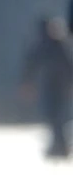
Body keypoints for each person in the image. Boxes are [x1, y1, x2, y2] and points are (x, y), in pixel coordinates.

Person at [20, 16, 73, 159]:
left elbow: (32, 64)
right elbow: (32, 64)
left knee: (56, 117)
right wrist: (28, 83)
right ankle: (59, 145)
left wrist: (27, 83)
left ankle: (60, 146)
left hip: (57, 87)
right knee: (54, 116)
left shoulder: (55, 44)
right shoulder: (53, 44)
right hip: (53, 87)